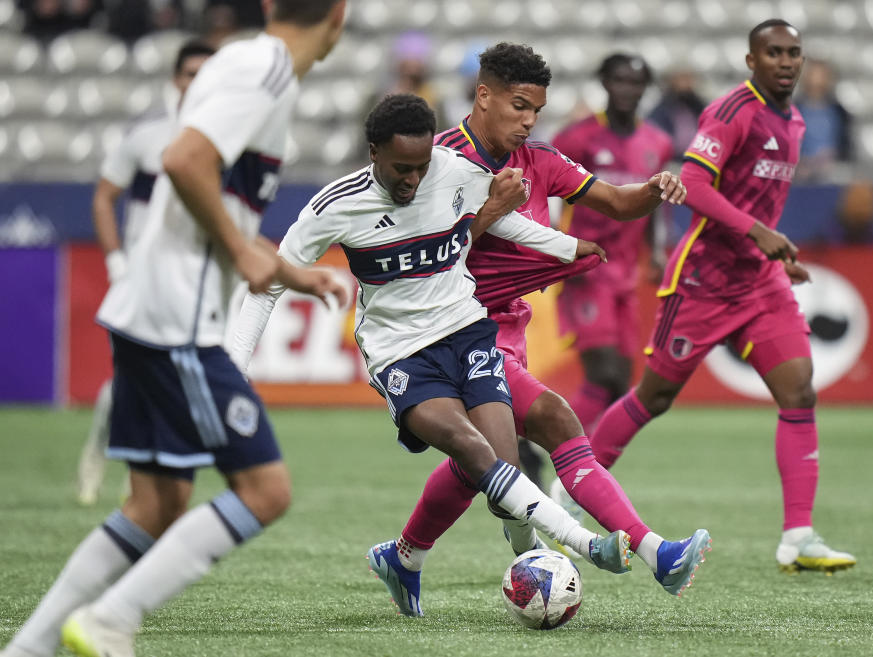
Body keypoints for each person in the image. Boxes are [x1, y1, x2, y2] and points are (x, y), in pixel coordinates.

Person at [1, 2, 349, 657]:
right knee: (266, 490)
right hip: (178, 321)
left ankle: (29, 647)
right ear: (340, 14)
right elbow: (186, 161)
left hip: (148, 309)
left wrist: (287, 271)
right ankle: (111, 617)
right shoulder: (266, 71)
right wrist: (245, 254)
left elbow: (213, 195)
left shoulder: (238, 63)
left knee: (158, 502)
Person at [228, 94, 634, 618]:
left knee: (502, 464)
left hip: (466, 332)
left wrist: (563, 246)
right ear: (373, 151)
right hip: (400, 355)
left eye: (421, 167)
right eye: (401, 168)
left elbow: (500, 220)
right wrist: (234, 369)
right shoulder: (335, 206)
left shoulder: (452, 170)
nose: (413, 180)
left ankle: (413, 560)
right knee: (471, 448)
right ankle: (584, 546)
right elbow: (267, 286)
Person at [366, 42, 709, 618]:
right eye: (518, 106)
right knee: (553, 418)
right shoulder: (438, 162)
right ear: (484, 95)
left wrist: (655, 189)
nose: (527, 121)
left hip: (510, 330)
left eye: (536, 111)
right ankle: (657, 553)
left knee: (479, 465)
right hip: (451, 332)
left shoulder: (541, 161)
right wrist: (490, 212)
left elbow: (617, 202)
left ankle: (405, 557)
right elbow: (416, 255)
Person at [588, 20, 857, 574]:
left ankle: (798, 538)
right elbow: (694, 185)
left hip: (759, 283)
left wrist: (776, 252)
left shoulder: (797, 119)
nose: (786, 62)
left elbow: (763, 199)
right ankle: (573, 491)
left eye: (793, 53)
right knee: (653, 397)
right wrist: (757, 232)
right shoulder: (732, 113)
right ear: (751, 60)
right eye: (773, 53)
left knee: (800, 392)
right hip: (703, 281)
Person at [76, 39, 216, 508]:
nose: (195, 83)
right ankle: (97, 457)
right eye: (188, 73)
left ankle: (143, 476)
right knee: (126, 378)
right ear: (173, 79)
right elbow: (103, 197)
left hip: (195, 276)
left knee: (175, 378)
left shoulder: (225, 136)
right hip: (142, 273)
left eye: (204, 73)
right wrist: (116, 261)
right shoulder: (147, 134)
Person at [551, 52, 673, 435]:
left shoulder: (658, 142)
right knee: (603, 373)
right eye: (619, 80)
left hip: (626, 273)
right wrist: (552, 247)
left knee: (621, 385)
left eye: (636, 82)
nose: (627, 89)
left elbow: (653, 204)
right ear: (604, 83)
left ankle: (584, 468)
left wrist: (655, 252)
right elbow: (547, 192)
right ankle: (539, 440)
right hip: (584, 268)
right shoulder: (577, 138)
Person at [793, 59, 853, 182]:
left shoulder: (840, 112)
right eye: (813, 75)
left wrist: (833, 157)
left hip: (832, 169)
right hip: (800, 169)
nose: (817, 81)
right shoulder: (791, 111)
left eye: (822, 76)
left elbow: (846, 145)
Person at [648, 68, 707, 161]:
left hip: (696, 158)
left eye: (689, 78)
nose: (686, 83)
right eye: (682, 78)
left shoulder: (697, 106)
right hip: (672, 160)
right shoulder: (663, 108)